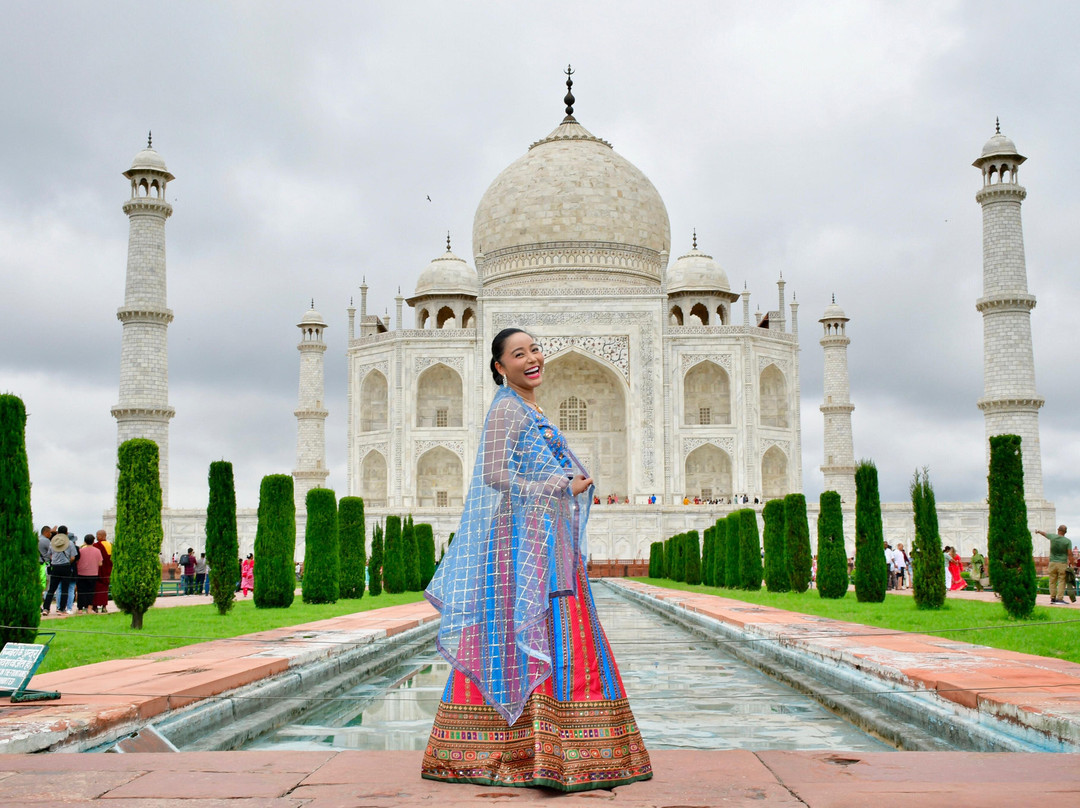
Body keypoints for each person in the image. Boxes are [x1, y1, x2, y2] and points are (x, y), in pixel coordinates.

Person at [421, 328, 652, 791]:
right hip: (522, 541)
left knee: (556, 628)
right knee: (524, 629)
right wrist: (557, 486)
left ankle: (560, 749)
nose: (532, 359)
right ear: (499, 367)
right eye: (518, 354)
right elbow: (493, 473)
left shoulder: (529, 408)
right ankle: (524, 751)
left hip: (544, 537)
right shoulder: (507, 407)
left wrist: (563, 485)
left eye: (535, 349)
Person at [42, 527, 79, 616]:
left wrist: (55, 560)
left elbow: (49, 555)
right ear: (66, 533)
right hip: (65, 567)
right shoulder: (70, 543)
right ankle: (61, 609)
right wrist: (68, 562)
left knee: (52, 589)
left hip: (55, 567)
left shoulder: (52, 543)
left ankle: (46, 608)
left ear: (58, 533)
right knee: (64, 589)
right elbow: (73, 557)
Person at [1036, 525, 1072, 605]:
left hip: (1052, 563)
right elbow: (1070, 553)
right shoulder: (1067, 541)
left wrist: (1038, 531)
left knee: (1052, 581)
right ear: (1065, 532)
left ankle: (1053, 598)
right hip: (1062, 563)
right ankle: (1060, 598)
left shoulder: (1053, 537)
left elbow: (1044, 534)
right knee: (1062, 581)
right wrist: (1072, 563)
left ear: (1058, 530)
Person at [75, 535, 103, 614]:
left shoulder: (81, 550)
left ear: (85, 541)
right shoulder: (97, 551)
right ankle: (89, 608)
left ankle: (80, 608)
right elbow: (100, 563)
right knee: (91, 591)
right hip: (93, 573)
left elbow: (77, 561)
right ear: (93, 541)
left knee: (81, 591)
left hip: (81, 573)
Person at [91, 530, 113, 613]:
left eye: (97, 535)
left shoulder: (96, 545)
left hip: (98, 571)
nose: (96, 537)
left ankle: (95, 606)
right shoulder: (111, 545)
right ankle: (104, 606)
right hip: (108, 571)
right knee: (104, 590)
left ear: (101, 535)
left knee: (96, 589)